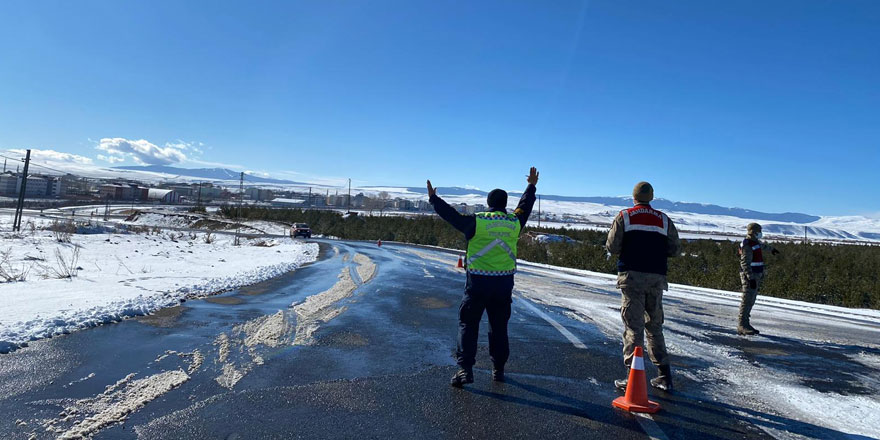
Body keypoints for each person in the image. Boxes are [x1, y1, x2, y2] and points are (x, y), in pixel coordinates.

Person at [427, 167, 538, 387]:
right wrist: (531, 186)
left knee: (468, 324)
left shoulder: (478, 221)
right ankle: (498, 370)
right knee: (499, 327)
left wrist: (434, 199)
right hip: (504, 284)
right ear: (505, 204)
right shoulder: (514, 222)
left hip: (478, 283)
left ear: (488, 202)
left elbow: (452, 217)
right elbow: (525, 207)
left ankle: (465, 370)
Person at [606, 181, 681, 392]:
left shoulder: (625, 216)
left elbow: (612, 246)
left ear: (634, 197)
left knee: (633, 328)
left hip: (632, 277)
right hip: (656, 278)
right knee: (655, 327)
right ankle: (664, 375)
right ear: (652, 197)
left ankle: (632, 377)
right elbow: (675, 249)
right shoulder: (664, 220)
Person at [737, 223, 779, 336]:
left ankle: (746, 323)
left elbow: (762, 246)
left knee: (751, 300)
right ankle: (742, 325)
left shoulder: (754, 242)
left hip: (756, 275)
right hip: (749, 276)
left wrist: (772, 249)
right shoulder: (747, 244)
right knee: (747, 300)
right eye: (759, 231)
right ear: (753, 232)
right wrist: (750, 278)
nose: (761, 233)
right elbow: (745, 263)